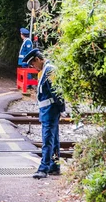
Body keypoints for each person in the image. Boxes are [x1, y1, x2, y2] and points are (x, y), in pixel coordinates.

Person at [22, 49, 65, 179]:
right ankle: (54, 165)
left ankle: (44, 168)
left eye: (33, 64)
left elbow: (56, 92)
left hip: (50, 110)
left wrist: (60, 108)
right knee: (54, 139)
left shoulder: (49, 70)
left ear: (38, 59)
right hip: (48, 110)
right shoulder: (46, 69)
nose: (33, 68)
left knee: (47, 139)